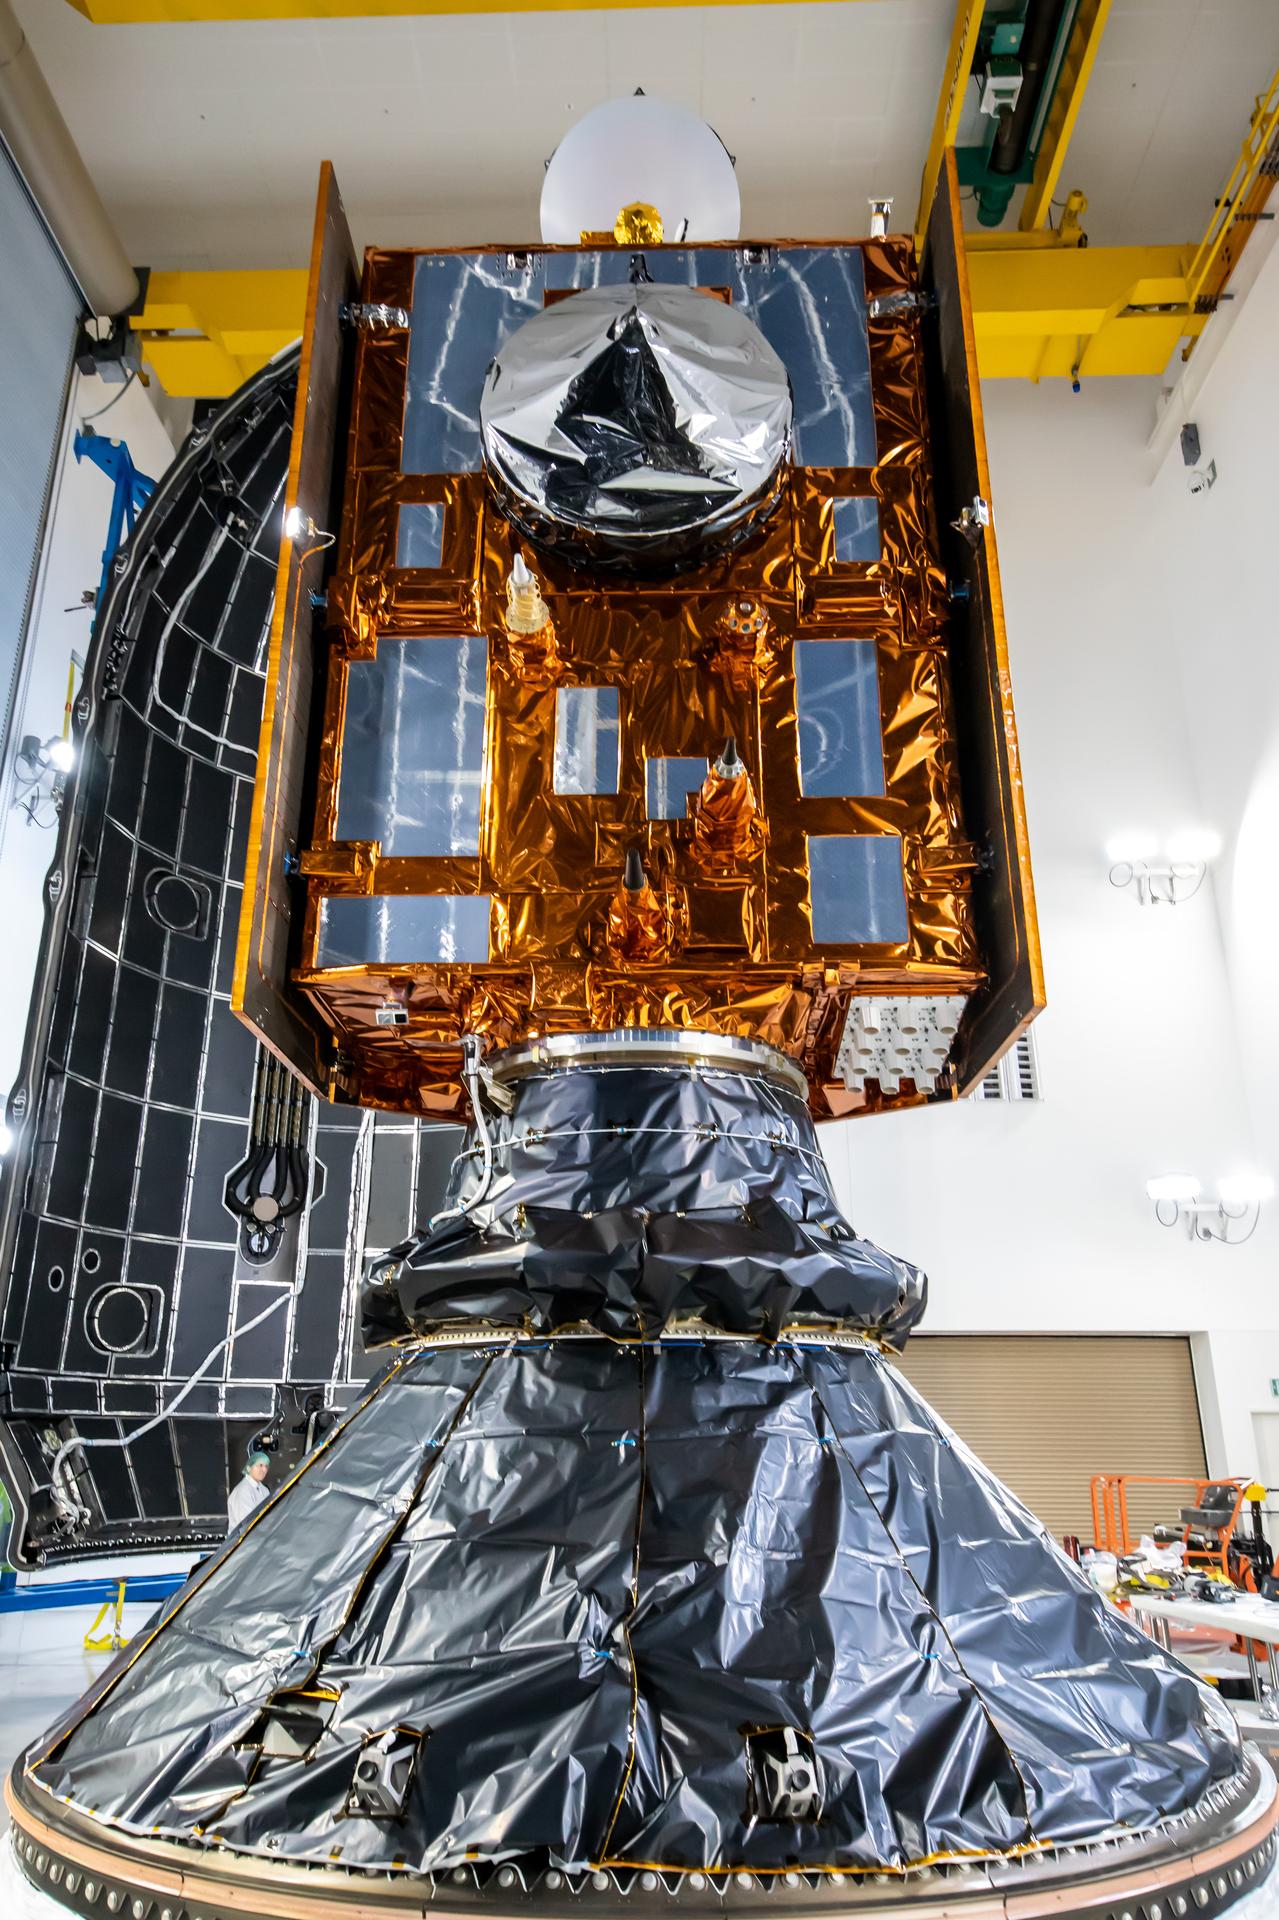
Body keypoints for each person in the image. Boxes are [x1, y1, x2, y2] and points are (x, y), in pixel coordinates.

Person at [226, 1451, 271, 1534]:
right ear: (249, 1468)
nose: (264, 1469)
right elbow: (247, 1524)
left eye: (266, 1466)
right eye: (260, 1465)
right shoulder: (242, 1491)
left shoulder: (264, 1490)